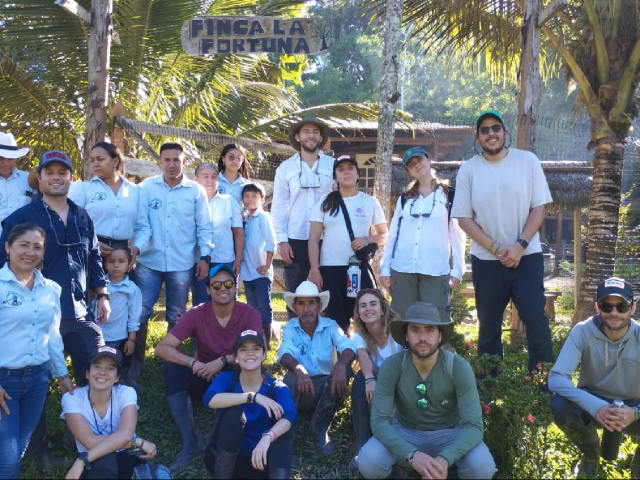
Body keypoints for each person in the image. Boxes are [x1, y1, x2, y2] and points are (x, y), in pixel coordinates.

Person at [0, 150, 111, 468]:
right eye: (50, 172)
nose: (56, 177)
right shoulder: (22, 217)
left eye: (63, 171)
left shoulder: (82, 215)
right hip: (37, 315)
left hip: (79, 312)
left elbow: (93, 258)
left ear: (71, 178)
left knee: (96, 370)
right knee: (35, 382)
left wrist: (102, 295)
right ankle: (38, 451)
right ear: (40, 178)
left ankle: (86, 440)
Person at [451, 110, 555, 374]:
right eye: (484, 130)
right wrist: (497, 249)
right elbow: (463, 218)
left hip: (527, 255)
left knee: (535, 319)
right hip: (487, 260)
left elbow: (539, 208)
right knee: (488, 325)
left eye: (495, 128)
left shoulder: (527, 161)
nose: (491, 133)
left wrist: (519, 245)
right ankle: (491, 388)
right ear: (478, 137)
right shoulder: (468, 170)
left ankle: (543, 385)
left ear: (504, 133)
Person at [357, 302, 496, 479]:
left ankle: (446, 472)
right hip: (406, 431)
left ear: (439, 336)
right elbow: (379, 421)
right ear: (406, 335)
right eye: (415, 330)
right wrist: (412, 454)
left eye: (430, 330)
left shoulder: (458, 367)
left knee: (482, 467)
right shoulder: (393, 366)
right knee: (369, 461)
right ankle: (401, 474)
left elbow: (474, 426)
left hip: (450, 433)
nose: (422, 337)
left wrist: (446, 459)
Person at [154, 264, 264, 471]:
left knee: (251, 375)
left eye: (228, 284)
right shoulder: (196, 314)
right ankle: (191, 440)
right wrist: (193, 363)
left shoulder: (249, 314)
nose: (223, 289)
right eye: (217, 285)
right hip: (204, 374)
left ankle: (229, 440)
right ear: (208, 289)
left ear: (235, 288)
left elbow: (261, 352)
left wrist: (223, 361)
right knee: (171, 368)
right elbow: (162, 349)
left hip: (235, 375)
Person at [130, 142, 214, 378]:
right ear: (159, 162)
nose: (171, 164)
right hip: (149, 261)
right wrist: (136, 250)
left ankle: (172, 364)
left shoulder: (196, 191)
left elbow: (204, 227)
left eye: (176, 160)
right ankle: (136, 363)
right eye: (166, 160)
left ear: (184, 162)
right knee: (141, 310)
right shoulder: (145, 189)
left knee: (177, 314)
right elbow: (142, 225)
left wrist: (205, 256)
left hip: (181, 262)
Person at [0, 223, 74, 479]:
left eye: (37, 247)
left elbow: (52, 336)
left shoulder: (51, 289)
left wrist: (62, 375)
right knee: (8, 461)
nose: (30, 252)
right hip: (3, 383)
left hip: (37, 381)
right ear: (8, 247)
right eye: (24, 245)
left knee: (17, 451)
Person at [548, 277, 640, 478]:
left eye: (621, 306)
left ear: (632, 308)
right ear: (598, 307)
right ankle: (590, 454)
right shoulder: (583, 331)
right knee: (559, 404)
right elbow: (556, 378)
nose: (614, 313)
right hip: (593, 404)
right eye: (607, 306)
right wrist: (596, 407)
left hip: (634, 408)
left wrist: (635, 411)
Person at [380, 147, 465, 321]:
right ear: (408, 171)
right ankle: (403, 349)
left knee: (435, 320)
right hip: (402, 268)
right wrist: (385, 268)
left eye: (419, 160)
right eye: (411, 165)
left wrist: (458, 268)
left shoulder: (449, 195)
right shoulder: (405, 198)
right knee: (401, 320)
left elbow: (458, 236)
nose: (417, 165)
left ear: (428, 160)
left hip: (435, 269)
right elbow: (393, 235)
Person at [203, 330, 296, 479]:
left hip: (259, 460)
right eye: (243, 350)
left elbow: (290, 415)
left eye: (256, 349)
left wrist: (268, 437)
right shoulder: (227, 379)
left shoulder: (276, 386)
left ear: (264, 354)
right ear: (236, 357)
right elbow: (209, 400)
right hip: (225, 461)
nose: (249, 354)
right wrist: (251, 397)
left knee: (282, 432)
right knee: (234, 415)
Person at [309, 155, 387, 331]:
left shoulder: (369, 202)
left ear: (358, 174)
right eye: (341, 169)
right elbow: (313, 238)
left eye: (350, 168)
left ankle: (369, 357)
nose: (346, 172)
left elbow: (384, 235)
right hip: (331, 269)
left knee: (370, 318)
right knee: (336, 323)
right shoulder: (325, 202)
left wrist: (367, 239)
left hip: (359, 268)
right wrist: (315, 270)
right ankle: (342, 358)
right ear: (335, 177)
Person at [278, 281, 356, 454]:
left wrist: (342, 364)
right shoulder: (290, 327)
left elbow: (348, 346)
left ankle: (320, 427)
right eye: (301, 304)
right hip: (302, 390)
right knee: (290, 377)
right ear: (295, 307)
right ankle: (286, 430)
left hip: (328, 388)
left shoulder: (331, 325)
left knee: (347, 369)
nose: (306, 309)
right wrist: (298, 369)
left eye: (311, 303)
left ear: (319, 306)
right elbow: (284, 353)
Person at [61, 346, 158, 479]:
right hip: (95, 459)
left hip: (125, 455)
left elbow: (125, 435)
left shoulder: (126, 393)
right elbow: (90, 441)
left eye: (110, 368)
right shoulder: (72, 398)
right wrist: (138, 442)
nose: (102, 372)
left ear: (117, 377)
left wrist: (81, 460)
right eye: (97, 366)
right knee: (107, 458)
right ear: (87, 373)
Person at [271, 115, 334, 316]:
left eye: (316, 132)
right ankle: (295, 341)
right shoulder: (285, 168)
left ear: (321, 137)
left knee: (329, 292)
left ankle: (329, 341)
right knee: (297, 295)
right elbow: (279, 207)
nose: (311, 136)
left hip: (328, 238)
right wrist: (282, 241)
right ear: (297, 136)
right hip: (295, 238)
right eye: (306, 131)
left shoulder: (333, 166)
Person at [349, 288, 403, 467]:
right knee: (359, 380)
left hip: (401, 381)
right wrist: (369, 378)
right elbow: (363, 356)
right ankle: (361, 442)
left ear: (382, 308)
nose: (368, 309)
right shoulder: (358, 335)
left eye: (373, 304)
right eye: (362, 306)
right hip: (378, 381)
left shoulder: (398, 329)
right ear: (358, 312)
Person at [68, 142, 139, 257]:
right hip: (90, 252)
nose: (95, 164)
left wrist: (136, 248)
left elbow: (142, 225)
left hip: (122, 255)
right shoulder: (83, 188)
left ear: (115, 161)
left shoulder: (135, 191)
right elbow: (70, 221)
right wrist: (91, 243)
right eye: (92, 160)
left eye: (100, 159)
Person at [192, 161, 243, 306]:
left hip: (224, 260)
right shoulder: (190, 202)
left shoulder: (229, 201)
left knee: (226, 302)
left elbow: (238, 232)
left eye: (214, 177)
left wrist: (238, 260)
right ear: (196, 179)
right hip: (198, 261)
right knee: (201, 304)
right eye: (205, 176)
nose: (210, 180)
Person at [92, 245, 141, 390]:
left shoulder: (131, 289)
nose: (116, 266)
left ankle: (120, 386)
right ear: (105, 265)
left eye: (121, 261)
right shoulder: (98, 286)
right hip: (97, 334)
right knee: (97, 362)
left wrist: (131, 339)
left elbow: (134, 316)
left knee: (114, 363)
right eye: (111, 262)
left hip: (117, 336)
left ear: (129, 264)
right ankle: (96, 387)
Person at [240, 183, 277, 347]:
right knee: (251, 306)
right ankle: (255, 338)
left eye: (254, 196)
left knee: (263, 306)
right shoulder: (243, 219)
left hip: (260, 271)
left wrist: (267, 265)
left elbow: (271, 242)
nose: (250, 199)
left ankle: (266, 341)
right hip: (248, 271)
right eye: (246, 196)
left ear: (261, 199)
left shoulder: (263, 217)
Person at [0, 132, 36, 233]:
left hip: (22, 243)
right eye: (1, 158)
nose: (6, 163)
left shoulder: (28, 179)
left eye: (10, 158)